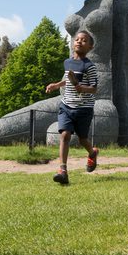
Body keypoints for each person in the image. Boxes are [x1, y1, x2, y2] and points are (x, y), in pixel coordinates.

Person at [46, 31, 99, 185]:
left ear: (90, 46)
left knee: (83, 139)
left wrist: (80, 87)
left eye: (84, 40)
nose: (79, 42)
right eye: (77, 39)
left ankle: (92, 152)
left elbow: (94, 88)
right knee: (65, 135)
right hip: (66, 105)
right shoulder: (67, 62)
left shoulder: (90, 66)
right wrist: (57, 85)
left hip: (84, 108)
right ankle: (62, 171)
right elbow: (68, 79)